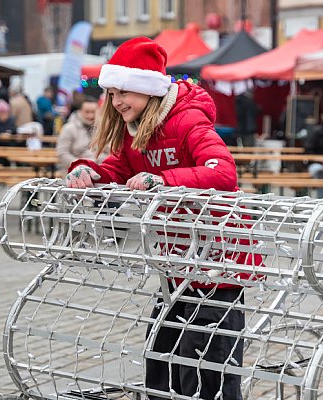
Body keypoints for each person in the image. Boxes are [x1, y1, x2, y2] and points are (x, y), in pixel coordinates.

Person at [63, 37, 253, 400]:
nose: (117, 102)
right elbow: (118, 167)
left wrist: (164, 180)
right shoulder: (137, 130)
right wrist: (86, 170)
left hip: (217, 261)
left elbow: (223, 171)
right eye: (112, 93)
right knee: (161, 352)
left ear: (147, 89)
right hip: (177, 260)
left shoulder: (187, 120)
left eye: (124, 92)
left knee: (206, 361)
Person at [56, 97, 107, 174]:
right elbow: (62, 153)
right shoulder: (69, 128)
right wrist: (80, 165)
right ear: (80, 111)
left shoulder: (103, 128)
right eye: (87, 112)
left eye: (93, 112)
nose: (90, 115)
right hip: (74, 173)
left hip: (100, 172)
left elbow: (111, 152)